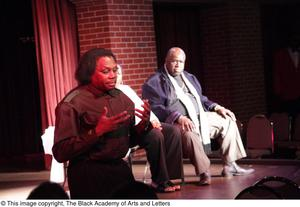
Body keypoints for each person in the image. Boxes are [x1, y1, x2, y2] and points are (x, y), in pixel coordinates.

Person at [142, 47, 254, 186]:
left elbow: (201, 99)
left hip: (199, 116)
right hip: (175, 122)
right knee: (190, 135)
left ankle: (230, 165)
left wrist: (218, 107)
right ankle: (204, 171)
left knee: (228, 120)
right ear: (166, 61)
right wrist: (178, 117)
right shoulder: (154, 82)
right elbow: (155, 107)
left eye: (181, 62)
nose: (177, 65)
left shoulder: (189, 77)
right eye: (174, 61)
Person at [52, 48, 152, 199]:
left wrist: (143, 126)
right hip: (88, 174)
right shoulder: (72, 103)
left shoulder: (122, 98)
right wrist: (97, 132)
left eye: (115, 70)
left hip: (119, 170)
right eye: (106, 71)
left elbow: (128, 141)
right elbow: (60, 152)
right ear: (89, 73)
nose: (113, 76)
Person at [115, 65, 183, 193]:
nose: (115, 75)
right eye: (113, 72)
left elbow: (142, 106)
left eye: (118, 73)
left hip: (142, 126)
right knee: (155, 135)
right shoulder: (109, 95)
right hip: (127, 133)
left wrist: (154, 120)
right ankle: (159, 181)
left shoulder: (126, 89)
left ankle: (171, 177)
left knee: (173, 131)